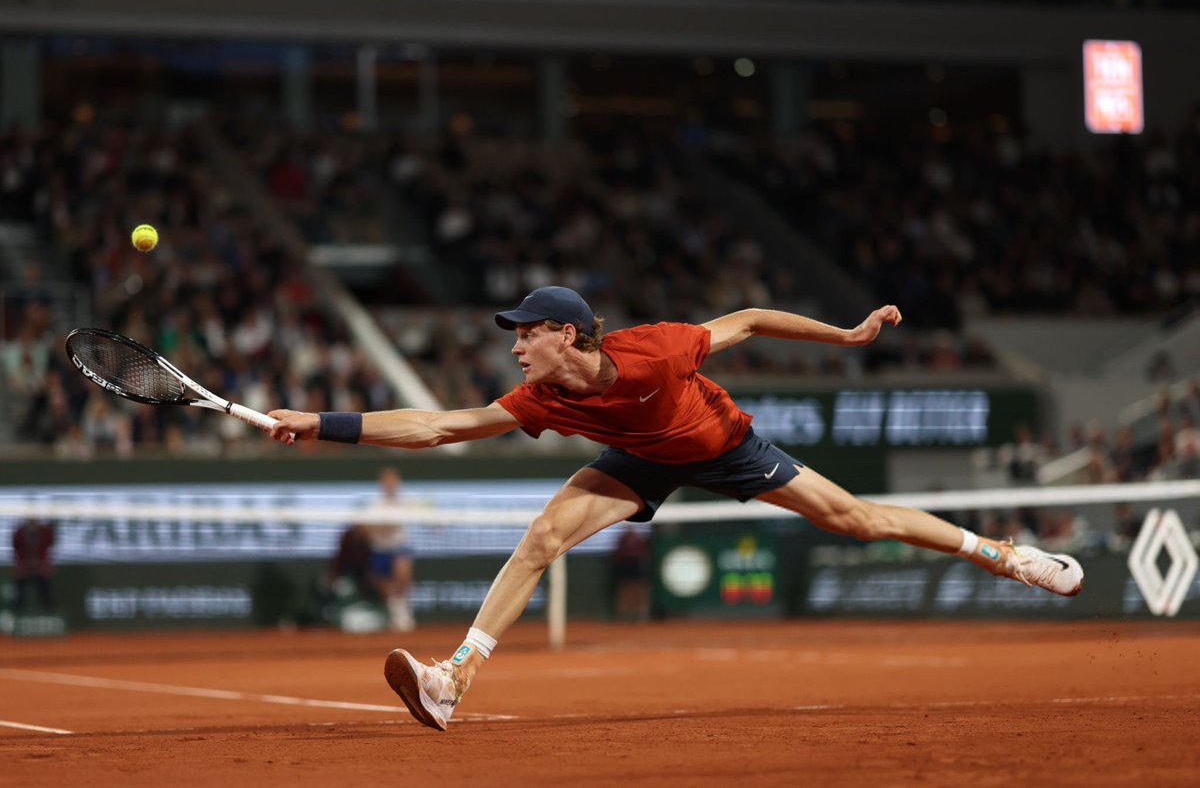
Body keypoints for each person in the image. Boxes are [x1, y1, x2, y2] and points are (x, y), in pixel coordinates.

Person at [268, 286, 1085, 732]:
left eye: (526, 333)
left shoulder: (657, 347)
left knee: (857, 520)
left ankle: (1007, 556)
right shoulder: (543, 394)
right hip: (638, 460)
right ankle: (453, 679)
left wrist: (846, 336)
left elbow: (751, 316)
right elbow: (445, 425)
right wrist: (326, 425)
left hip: (722, 445)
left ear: (567, 332)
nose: (516, 346)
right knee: (543, 534)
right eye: (515, 336)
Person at [358, 466, 416, 632]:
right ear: (382, 484)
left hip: (400, 548)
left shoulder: (407, 502)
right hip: (380, 550)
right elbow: (363, 529)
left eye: (393, 481)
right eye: (387, 481)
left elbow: (429, 514)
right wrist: (376, 529)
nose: (390, 484)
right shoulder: (374, 505)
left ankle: (403, 610)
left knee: (402, 573)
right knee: (385, 587)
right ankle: (394, 611)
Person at [12, 517, 55, 613]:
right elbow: (15, 545)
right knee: (19, 591)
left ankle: (49, 612)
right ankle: (17, 612)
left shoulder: (44, 531)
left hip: (40, 568)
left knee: (46, 591)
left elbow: (51, 541)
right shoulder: (21, 532)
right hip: (24, 568)